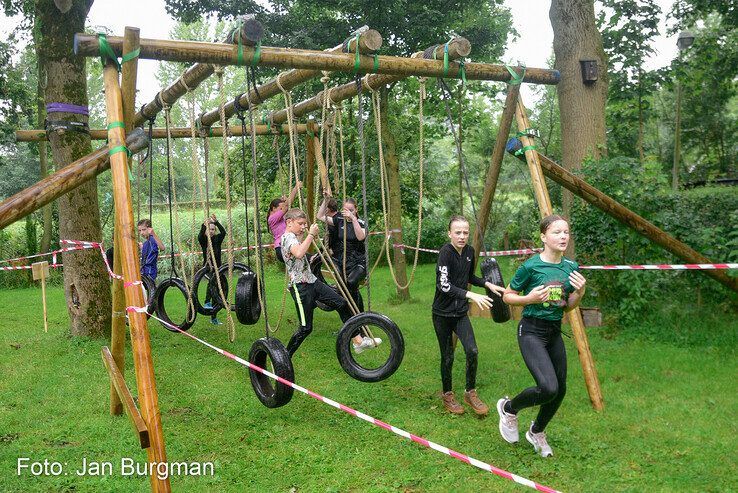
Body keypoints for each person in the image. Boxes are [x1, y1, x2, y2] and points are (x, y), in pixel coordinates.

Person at [496, 214, 587, 458]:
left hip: (554, 331)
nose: (563, 236)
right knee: (548, 387)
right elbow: (507, 296)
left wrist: (580, 292)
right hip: (531, 331)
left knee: (561, 389)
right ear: (543, 237)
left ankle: (536, 431)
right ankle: (508, 408)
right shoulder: (530, 266)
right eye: (557, 232)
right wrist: (529, 299)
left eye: (566, 232)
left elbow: (567, 306)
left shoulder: (570, 268)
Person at [280, 208, 381, 357]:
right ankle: (283, 357)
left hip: (312, 282)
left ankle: (358, 341)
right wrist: (311, 235)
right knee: (305, 328)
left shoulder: (294, 237)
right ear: (289, 222)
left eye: (304, 224)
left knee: (341, 303)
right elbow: (299, 253)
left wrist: (308, 237)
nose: (303, 227)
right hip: (301, 287)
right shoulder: (287, 237)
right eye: (300, 224)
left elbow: (300, 253)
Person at [432, 215, 505, 417]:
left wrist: (486, 284)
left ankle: (469, 392)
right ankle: (447, 394)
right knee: (447, 356)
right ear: (450, 234)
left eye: (465, 232)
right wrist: (470, 294)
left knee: (472, 350)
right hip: (442, 314)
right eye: (458, 232)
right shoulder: (445, 254)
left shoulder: (470, 252)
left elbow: (468, 277)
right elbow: (444, 285)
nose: (462, 236)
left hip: (460, 313)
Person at [317, 195, 367, 312]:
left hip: (359, 261)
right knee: (345, 288)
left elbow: (360, 237)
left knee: (351, 282)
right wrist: (326, 199)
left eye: (351, 210)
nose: (348, 212)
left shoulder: (361, 222)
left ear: (356, 210)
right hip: (344, 260)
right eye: (346, 210)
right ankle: (355, 315)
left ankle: (359, 315)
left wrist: (353, 219)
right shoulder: (339, 220)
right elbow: (319, 216)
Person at [198, 214, 226, 325]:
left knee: (217, 291)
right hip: (208, 267)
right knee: (212, 283)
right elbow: (200, 234)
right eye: (209, 229)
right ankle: (206, 301)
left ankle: (213, 317)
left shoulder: (218, 239)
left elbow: (223, 232)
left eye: (213, 229)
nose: (211, 231)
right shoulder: (203, 240)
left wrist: (216, 222)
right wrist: (204, 225)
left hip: (218, 267)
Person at [267, 181, 302, 263]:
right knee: (311, 260)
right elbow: (286, 206)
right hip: (281, 248)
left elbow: (291, 210)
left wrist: (286, 201)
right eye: (281, 208)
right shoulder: (272, 218)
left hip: (288, 245)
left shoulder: (282, 218)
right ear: (273, 208)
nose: (283, 210)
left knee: (308, 264)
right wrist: (296, 188)